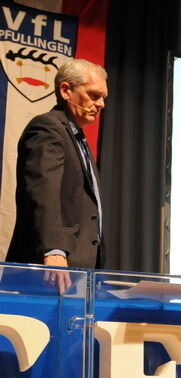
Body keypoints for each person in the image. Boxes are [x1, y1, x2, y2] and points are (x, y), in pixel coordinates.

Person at [7, 58, 108, 278]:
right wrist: (53, 250)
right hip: (51, 267)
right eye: (94, 95)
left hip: (79, 267)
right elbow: (42, 193)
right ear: (65, 90)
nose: (100, 104)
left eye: (103, 97)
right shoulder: (47, 128)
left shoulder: (77, 137)